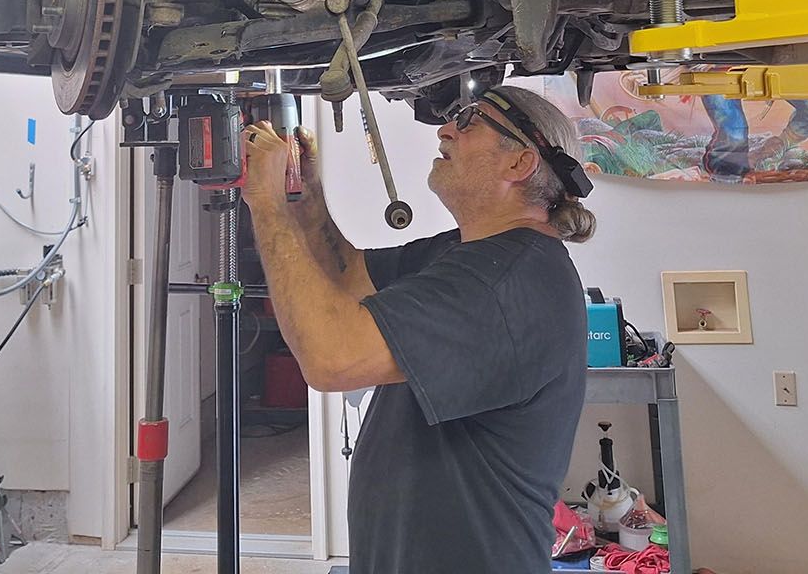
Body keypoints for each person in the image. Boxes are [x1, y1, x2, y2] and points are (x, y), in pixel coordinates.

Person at [241, 85, 598, 573]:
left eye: (470, 121)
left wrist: (264, 201)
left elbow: (331, 359)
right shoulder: (471, 251)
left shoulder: (503, 282)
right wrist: (306, 192)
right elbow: (345, 276)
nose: (446, 129)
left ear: (519, 163)